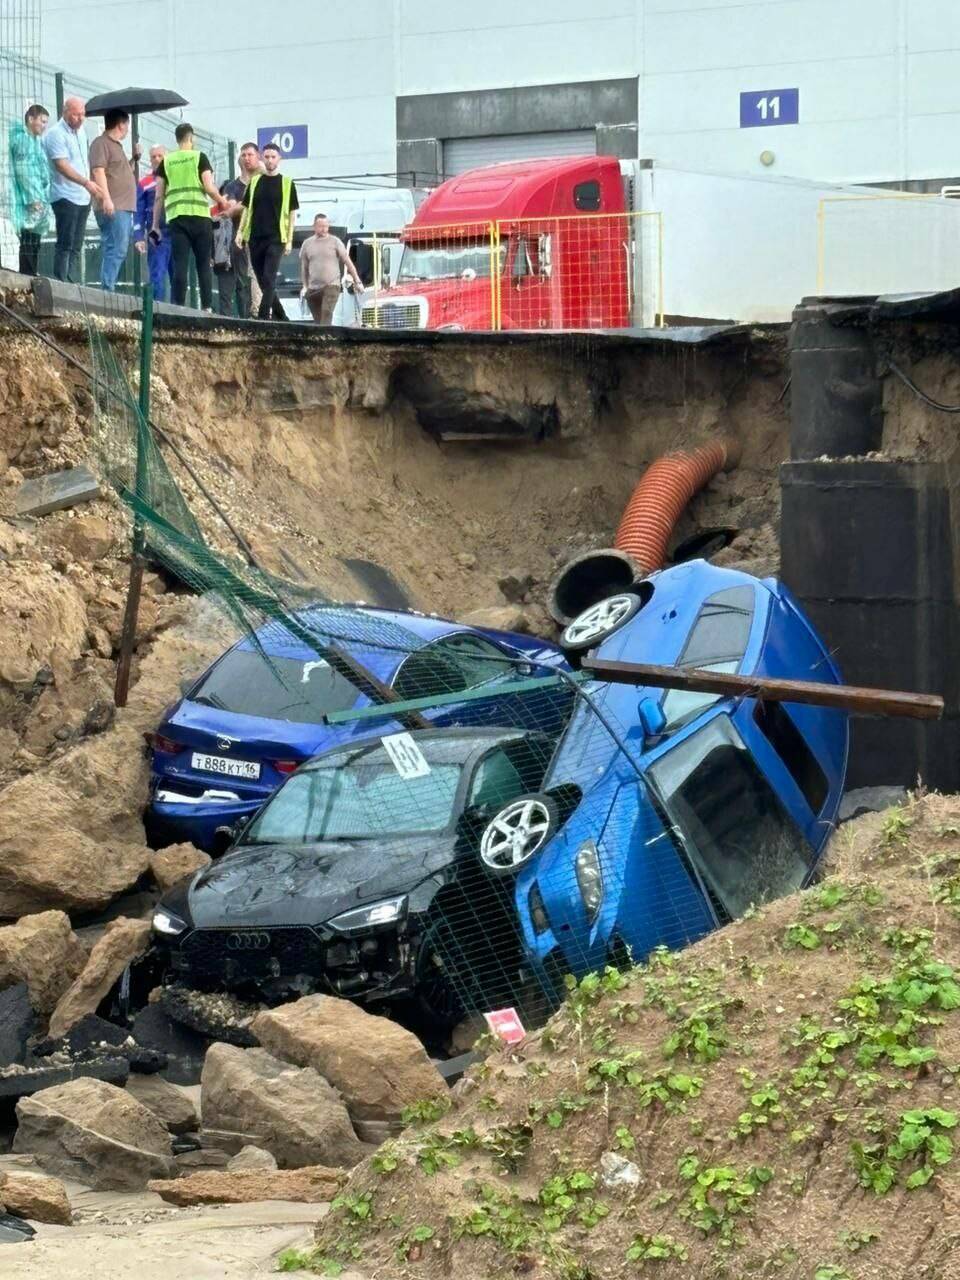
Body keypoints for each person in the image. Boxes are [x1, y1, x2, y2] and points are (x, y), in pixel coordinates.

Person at [152, 122, 228, 310]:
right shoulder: (199, 157)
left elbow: (159, 195)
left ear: (177, 139)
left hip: (178, 219)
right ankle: (207, 308)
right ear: (191, 138)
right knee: (203, 265)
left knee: (180, 265)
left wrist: (155, 225)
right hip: (200, 218)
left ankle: (179, 307)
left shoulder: (166, 162)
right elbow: (209, 187)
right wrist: (222, 201)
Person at [237, 141, 299, 320]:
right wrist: (240, 232)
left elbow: (292, 214)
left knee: (269, 277)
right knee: (263, 281)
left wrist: (288, 240)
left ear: (279, 159)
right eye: (267, 157)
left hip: (276, 238)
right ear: (262, 158)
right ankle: (282, 317)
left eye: (273, 157)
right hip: (255, 238)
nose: (270, 160)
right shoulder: (255, 182)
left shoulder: (287, 183)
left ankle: (264, 318)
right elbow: (246, 209)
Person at [43, 95, 99, 283]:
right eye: (76, 115)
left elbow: (84, 160)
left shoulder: (82, 132)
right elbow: (62, 165)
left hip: (83, 197)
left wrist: (90, 185)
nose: (80, 119)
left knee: (76, 243)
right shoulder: (55, 134)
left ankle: (71, 279)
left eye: (83, 114)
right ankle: (60, 281)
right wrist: (86, 182)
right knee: (65, 242)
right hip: (65, 195)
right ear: (65, 112)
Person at [88, 108, 137, 292]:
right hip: (113, 206)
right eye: (127, 125)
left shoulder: (117, 146)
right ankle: (107, 290)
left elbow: (119, 173)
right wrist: (107, 199)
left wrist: (135, 158)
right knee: (116, 247)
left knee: (118, 247)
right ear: (121, 124)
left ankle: (108, 287)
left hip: (121, 207)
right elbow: (98, 172)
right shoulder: (101, 144)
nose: (127, 129)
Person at [216, 140, 260, 317]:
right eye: (244, 155)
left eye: (250, 155)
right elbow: (230, 209)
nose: (247, 158)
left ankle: (251, 318)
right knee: (231, 287)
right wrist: (249, 203)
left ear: (258, 157)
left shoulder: (263, 181)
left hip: (258, 240)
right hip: (235, 242)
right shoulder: (232, 186)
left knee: (250, 285)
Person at [8, 104, 50, 276]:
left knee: (34, 241)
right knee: (29, 241)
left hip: (39, 198)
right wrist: (32, 198)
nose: (44, 125)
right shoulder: (23, 141)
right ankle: (28, 275)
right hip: (30, 200)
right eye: (42, 121)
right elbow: (24, 172)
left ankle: (31, 274)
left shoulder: (35, 141)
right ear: (31, 119)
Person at [300, 213, 363, 325]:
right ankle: (323, 339)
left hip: (332, 285)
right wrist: (305, 286)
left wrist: (357, 280)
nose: (324, 229)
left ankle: (325, 340)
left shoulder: (335, 241)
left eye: (326, 226)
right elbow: (304, 268)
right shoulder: (307, 244)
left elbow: (347, 261)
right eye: (321, 226)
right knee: (318, 321)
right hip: (313, 288)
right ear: (314, 226)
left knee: (326, 312)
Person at [133, 144, 173, 301]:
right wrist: (138, 237)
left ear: (166, 157)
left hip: (177, 231)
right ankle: (157, 312)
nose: (157, 159)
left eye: (160, 156)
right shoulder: (144, 183)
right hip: (156, 233)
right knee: (157, 273)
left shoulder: (174, 178)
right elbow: (138, 212)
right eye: (153, 156)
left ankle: (179, 315)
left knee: (178, 276)